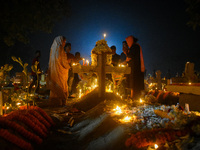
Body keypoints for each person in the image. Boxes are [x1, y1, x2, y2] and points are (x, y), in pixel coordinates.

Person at [48, 36, 70, 106]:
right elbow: (62, 61)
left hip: (54, 72)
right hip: (60, 72)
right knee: (61, 85)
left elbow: (51, 61)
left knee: (55, 85)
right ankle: (61, 101)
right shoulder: (60, 49)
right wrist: (68, 66)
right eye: (64, 41)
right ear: (60, 41)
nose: (64, 43)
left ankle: (55, 102)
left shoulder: (53, 49)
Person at [125, 35, 145, 100]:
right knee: (133, 85)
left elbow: (130, 57)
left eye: (128, 42)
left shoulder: (135, 46)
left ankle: (134, 99)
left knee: (134, 85)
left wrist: (126, 52)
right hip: (134, 68)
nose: (127, 43)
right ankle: (133, 98)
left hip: (135, 69)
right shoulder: (135, 46)